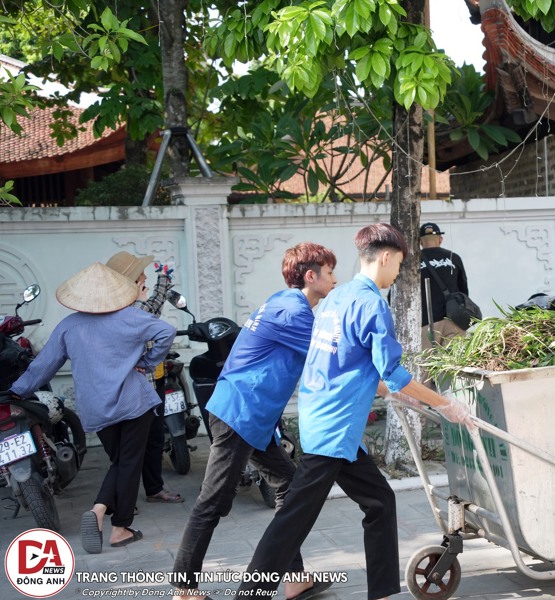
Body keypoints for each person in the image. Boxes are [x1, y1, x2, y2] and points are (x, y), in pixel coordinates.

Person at [237, 223, 472, 600]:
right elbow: (394, 374)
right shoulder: (372, 303)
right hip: (334, 430)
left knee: (380, 501)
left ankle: (381, 592)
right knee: (292, 521)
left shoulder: (337, 298)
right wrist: (447, 404)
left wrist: (397, 394)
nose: (397, 273)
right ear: (385, 257)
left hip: (327, 421)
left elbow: (347, 363)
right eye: (398, 265)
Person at [172, 243, 337, 600]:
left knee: (290, 488)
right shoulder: (296, 314)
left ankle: (294, 579)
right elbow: (329, 360)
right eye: (330, 272)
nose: (335, 280)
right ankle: (184, 589)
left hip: (250, 415)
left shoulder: (283, 300)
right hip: (241, 414)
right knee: (211, 502)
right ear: (311, 276)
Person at [9, 263, 176, 553]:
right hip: (133, 403)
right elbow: (167, 331)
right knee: (128, 463)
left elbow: (43, 366)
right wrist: (148, 362)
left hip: (97, 408)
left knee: (121, 462)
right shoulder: (131, 316)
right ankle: (115, 524)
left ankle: (102, 513)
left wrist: (16, 391)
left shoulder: (69, 326)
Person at [106, 251, 183, 505]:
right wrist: (163, 281)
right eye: (140, 274)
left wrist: (162, 281)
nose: (144, 276)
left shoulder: (138, 305)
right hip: (132, 386)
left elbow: (152, 308)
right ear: (131, 282)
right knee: (131, 447)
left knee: (154, 438)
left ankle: (153, 489)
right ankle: (118, 500)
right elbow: (150, 309)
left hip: (153, 381)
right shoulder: (125, 308)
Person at [418, 222, 471, 350]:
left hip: (426, 323)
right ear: (440, 239)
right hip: (454, 321)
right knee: (454, 366)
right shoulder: (454, 258)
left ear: (419, 241)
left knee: (427, 367)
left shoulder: (413, 261)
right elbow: (463, 291)